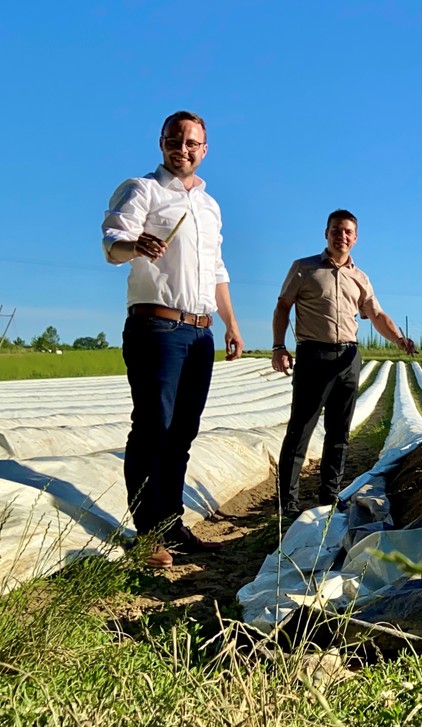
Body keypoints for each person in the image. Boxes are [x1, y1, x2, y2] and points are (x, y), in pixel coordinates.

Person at [102, 110, 244, 568]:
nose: (182, 149)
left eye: (192, 143)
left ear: (205, 150)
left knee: (182, 433)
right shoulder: (141, 189)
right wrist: (135, 246)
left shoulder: (209, 205)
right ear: (161, 143)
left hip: (200, 331)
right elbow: (111, 246)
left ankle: (171, 525)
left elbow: (217, 271)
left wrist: (231, 324)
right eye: (174, 140)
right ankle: (148, 536)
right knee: (153, 427)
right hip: (157, 327)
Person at [272, 209, 416, 518]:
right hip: (313, 356)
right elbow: (283, 306)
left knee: (339, 432)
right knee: (301, 430)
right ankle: (288, 505)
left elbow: (376, 314)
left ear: (356, 238)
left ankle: (329, 497)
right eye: (337, 230)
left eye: (348, 231)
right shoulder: (304, 269)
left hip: (349, 358)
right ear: (326, 233)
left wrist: (399, 339)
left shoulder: (359, 277)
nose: (342, 235)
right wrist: (278, 346)